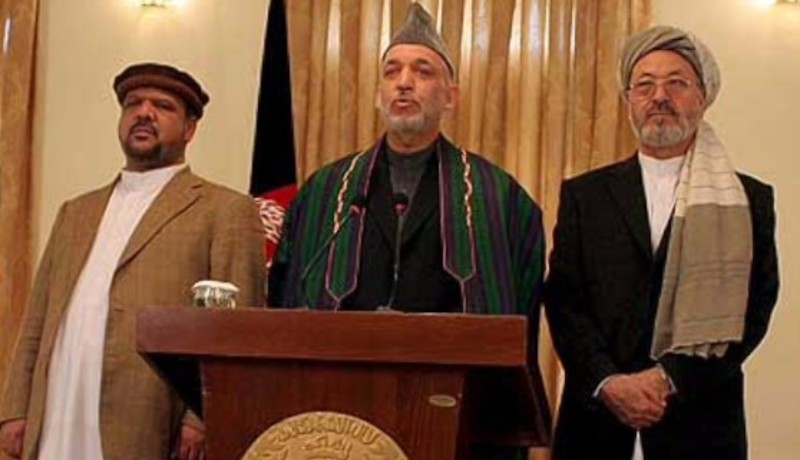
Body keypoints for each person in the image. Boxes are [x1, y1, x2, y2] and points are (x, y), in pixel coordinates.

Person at [268, 4, 547, 459]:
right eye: (392, 71)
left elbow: (522, 321)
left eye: (423, 71)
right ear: (378, 94)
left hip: (458, 423)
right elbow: (283, 299)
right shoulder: (325, 192)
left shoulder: (500, 199)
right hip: (337, 418)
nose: (404, 82)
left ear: (450, 97)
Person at [0, 63, 266, 460]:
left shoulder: (223, 210)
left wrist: (201, 417)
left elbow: (236, 329)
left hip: (146, 419)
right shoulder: (75, 212)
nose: (144, 113)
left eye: (163, 106)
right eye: (133, 104)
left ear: (190, 129)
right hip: (57, 409)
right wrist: (15, 409)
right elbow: (37, 319)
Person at [544, 25, 779, 460]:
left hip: (699, 423)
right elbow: (564, 300)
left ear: (703, 97)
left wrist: (669, 377)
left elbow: (753, 309)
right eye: (645, 85)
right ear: (628, 101)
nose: (659, 96)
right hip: (597, 423)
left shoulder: (748, 200)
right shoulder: (585, 195)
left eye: (677, 83)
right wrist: (608, 382)